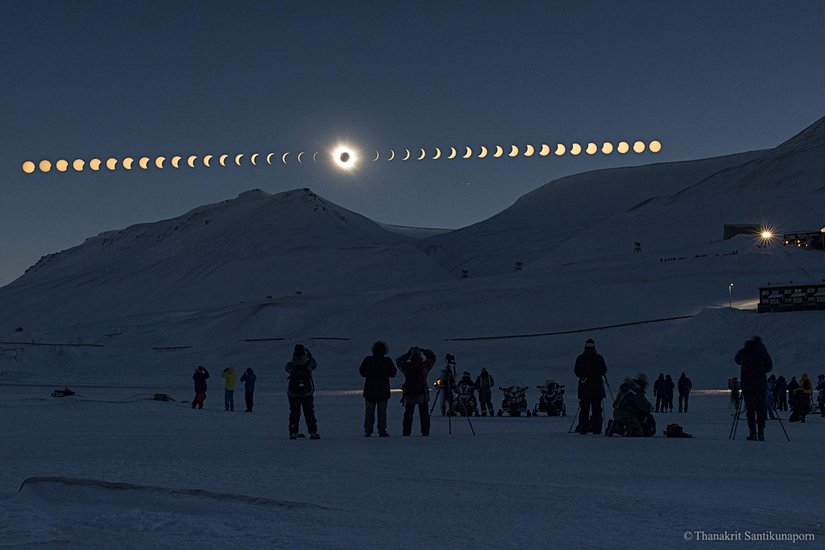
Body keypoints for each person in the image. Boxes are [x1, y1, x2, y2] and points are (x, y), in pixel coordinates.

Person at [734, 336, 773, 441]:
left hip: (747, 384)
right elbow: (769, 366)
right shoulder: (762, 352)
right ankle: (761, 433)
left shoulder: (744, 351)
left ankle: (752, 433)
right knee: (761, 409)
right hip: (760, 384)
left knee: (750, 410)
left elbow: (737, 360)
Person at [359, 341, 397, 437]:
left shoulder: (368, 360)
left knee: (369, 413)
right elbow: (393, 373)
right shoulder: (387, 361)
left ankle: (368, 430)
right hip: (383, 391)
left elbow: (362, 372)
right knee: (382, 413)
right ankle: (382, 430)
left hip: (369, 391)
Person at [397, 346, 436, 436]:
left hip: (410, 393)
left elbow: (398, 361)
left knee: (408, 414)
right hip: (422, 394)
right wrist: (425, 351)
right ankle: (425, 432)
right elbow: (433, 358)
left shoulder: (406, 366)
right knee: (424, 414)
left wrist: (407, 354)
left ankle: (406, 432)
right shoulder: (424, 366)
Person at [573, 338, 607, 435]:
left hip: (584, 389)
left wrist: (583, 375)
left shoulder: (580, 358)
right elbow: (604, 370)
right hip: (597, 389)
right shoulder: (599, 358)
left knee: (584, 409)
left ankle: (583, 428)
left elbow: (576, 371)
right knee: (597, 410)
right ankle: (597, 429)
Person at [285, 344, 320, 439]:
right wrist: (310, 355)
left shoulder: (292, 363)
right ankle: (313, 432)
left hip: (293, 393)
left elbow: (287, 368)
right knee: (309, 412)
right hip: (307, 393)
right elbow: (314, 364)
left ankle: (293, 432)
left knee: (294, 413)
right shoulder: (308, 363)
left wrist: (293, 358)